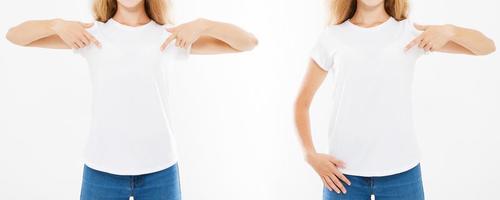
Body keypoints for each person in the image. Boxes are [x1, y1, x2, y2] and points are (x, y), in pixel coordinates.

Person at [5, 0, 257, 199]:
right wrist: (55, 24)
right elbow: (15, 36)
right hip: (102, 169)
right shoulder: (91, 35)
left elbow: (248, 42)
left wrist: (204, 24)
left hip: (160, 169)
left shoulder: (168, 37)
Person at [294, 0, 495, 199]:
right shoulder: (332, 36)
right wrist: (309, 155)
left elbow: (487, 47)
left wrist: (450, 31)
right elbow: (302, 103)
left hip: (402, 172)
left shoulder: (407, 33)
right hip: (342, 175)